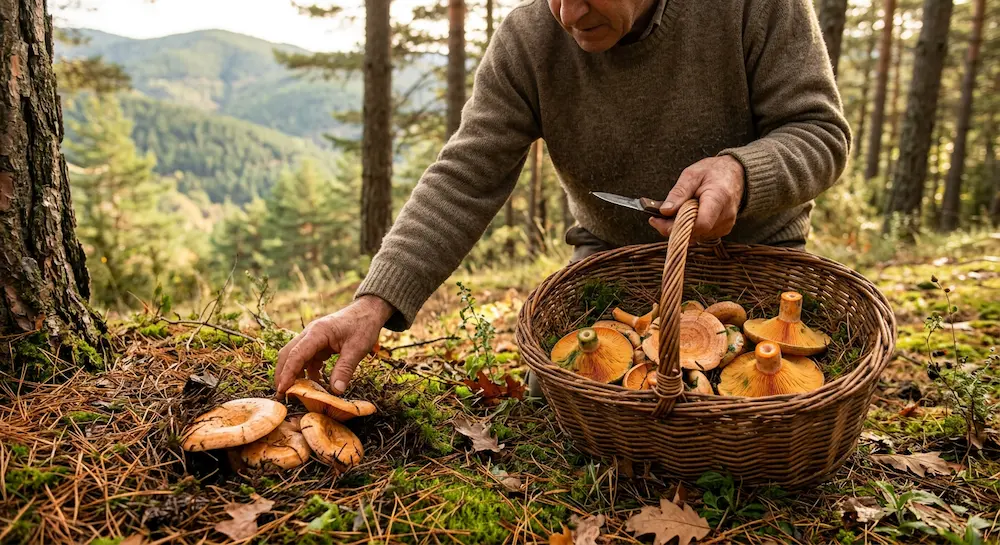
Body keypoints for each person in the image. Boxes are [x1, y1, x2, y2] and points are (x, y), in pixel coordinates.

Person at [274, 0, 851, 397]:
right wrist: (372, 303)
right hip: (610, 271)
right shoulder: (530, 38)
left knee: (752, 416)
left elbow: (820, 133)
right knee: (561, 411)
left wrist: (740, 173)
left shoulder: (754, 8)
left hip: (759, 273)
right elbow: (466, 176)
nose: (569, 15)